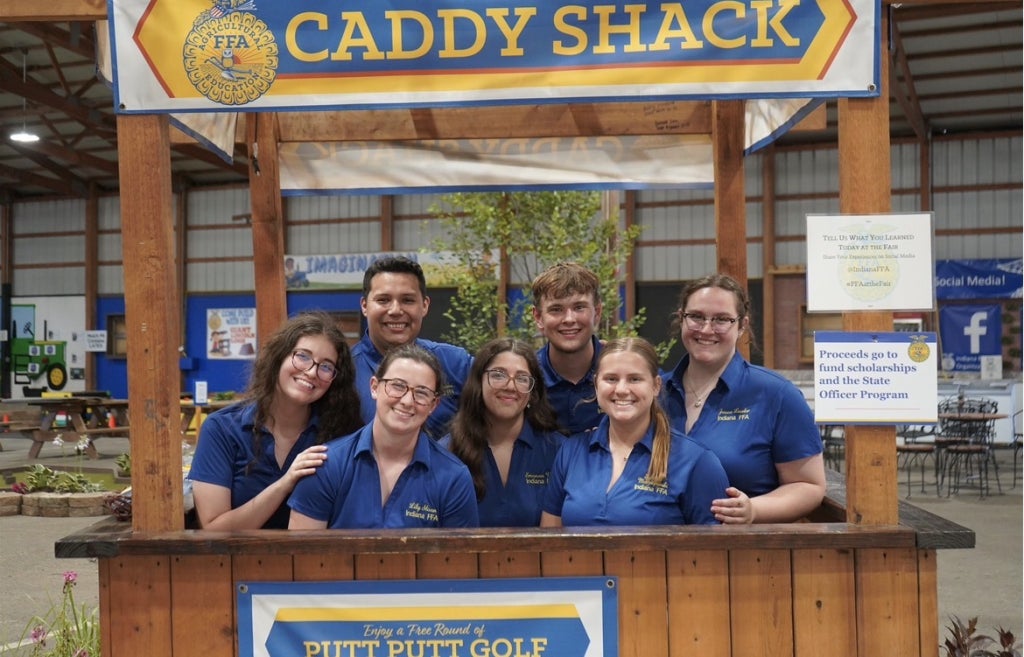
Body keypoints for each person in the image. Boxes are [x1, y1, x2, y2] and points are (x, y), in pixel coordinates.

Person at [661, 273, 826, 524]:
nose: (706, 329)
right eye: (696, 316)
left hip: (742, 553)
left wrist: (754, 510)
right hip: (655, 549)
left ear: (742, 326)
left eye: (722, 319)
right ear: (681, 318)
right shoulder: (656, 393)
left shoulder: (777, 395)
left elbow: (808, 485)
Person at [189, 312, 363, 529]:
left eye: (326, 367)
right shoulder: (221, 429)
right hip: (237, 561)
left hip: (313, 561)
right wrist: (285, 484)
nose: (311, 372)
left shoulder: (341, 432)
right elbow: (214, 530)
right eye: (303, 356)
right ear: (278, 356)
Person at [541, 337, 728, 527]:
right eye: (611, 379)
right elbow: (548, 542)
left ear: (656, 386)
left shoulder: (696, 461)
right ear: (596, 384)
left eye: (635, 379)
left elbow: (718, 550)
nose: (622, 389)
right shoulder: (571, 452)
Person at [288, 343, 479, 529]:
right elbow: (302, 557)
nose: (406, 401)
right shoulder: (326, 465)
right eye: (397, 386)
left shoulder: (454, 478)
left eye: (421, 393)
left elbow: (459, 560)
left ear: (433, 405)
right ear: (374, 387)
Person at [442, 337, 563, 527]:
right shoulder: (446, 452)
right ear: (478, 382)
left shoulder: (559, 452)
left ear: (533, 392)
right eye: (498, 375)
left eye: (522, 378)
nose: (510, 386)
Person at [351, 255, 472, 438]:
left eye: (407, 300)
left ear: (424, 306)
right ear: (365, 305)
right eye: (383, 300)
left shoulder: (455, 364)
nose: (395, 310)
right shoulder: (343, 372)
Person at [531, 262, 604, 434]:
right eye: (556, 309)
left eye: (579, 307)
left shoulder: (627, 377)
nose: (569, 319)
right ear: (538, 317)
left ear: (597, 313)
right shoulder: (525, 381)